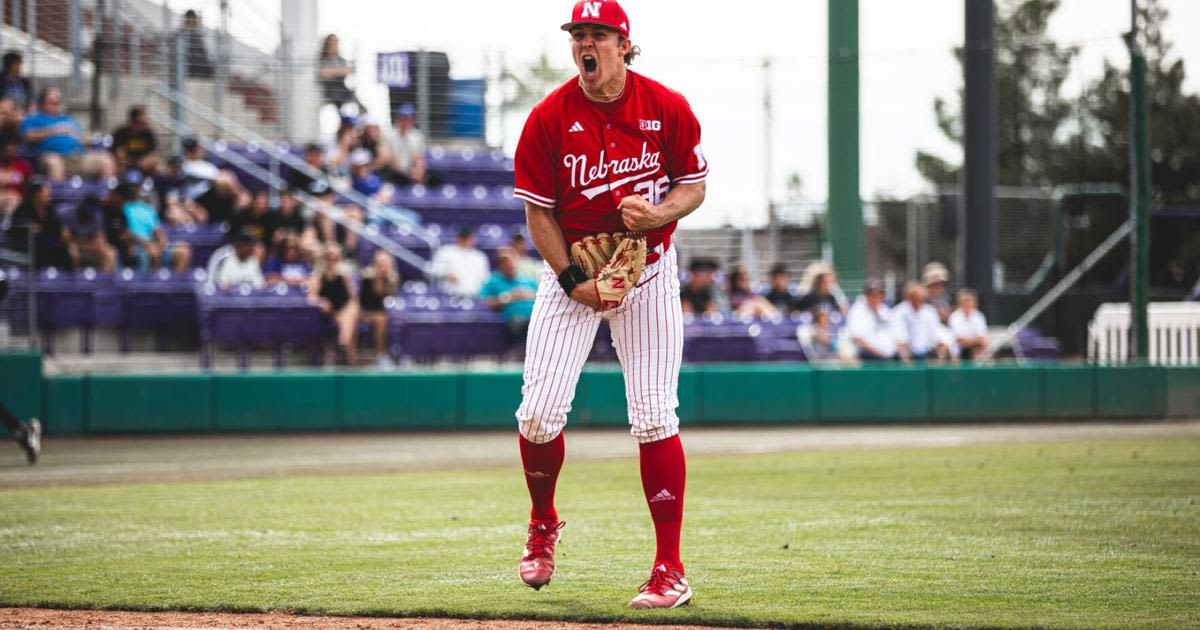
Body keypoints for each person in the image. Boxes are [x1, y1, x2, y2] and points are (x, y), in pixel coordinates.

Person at [511, 0, 708, 608]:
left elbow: (693, 185)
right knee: (539, 413)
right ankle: (543, 523)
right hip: (571, 269)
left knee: (654, 414)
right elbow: (537, 213)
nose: (584, 45)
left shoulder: (666, 107)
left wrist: (660, 213)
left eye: (597, 34)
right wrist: (574, 281)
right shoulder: (548, 118)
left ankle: (669, 569)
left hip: (646, 270)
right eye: (578, 35)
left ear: (625, 44)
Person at [116, 181, 192, 273]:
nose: (135, 190)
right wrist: (147, 244)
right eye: (132, 188)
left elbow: (157, 230)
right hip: (136, 245)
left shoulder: (148, 209)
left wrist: (161, 242)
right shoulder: (123, 208)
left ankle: (174, 284)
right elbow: (126, 232)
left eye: (136, 188)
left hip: (152, 243)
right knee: (152, 253)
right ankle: (152, 286)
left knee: (183, 250)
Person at [480, 248, 539, 353]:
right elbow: (484, 302)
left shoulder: (527, 280)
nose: (509, 264)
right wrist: (509, 297)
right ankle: (518, 352)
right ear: (500, 264)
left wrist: (529, 295)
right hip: (510, 321)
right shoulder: (494, 281)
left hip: (534, 318)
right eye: (505, 261)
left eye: (512, 260)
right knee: (519, 322)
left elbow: (541, 298)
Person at [310, 244, 359, 365]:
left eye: (335, 258)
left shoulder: (345, 276)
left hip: (344, 309)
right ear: (323, 259)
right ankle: (346, 350)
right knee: (347, 321)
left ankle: (344, 340)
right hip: (326, 313)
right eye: (328, 258)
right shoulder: (317, 276)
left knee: (350, 312)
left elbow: (353, 298)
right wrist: (321, 302)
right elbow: (311, 297)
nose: (332, 261)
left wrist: (345, 311)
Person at [7, 178, 71, 269]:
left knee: (66, 254)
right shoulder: (23, 210)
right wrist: (30, 230)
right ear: (35, 195)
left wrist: (63, 232)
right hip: (28, 249)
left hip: (50, 247)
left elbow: (58, 228)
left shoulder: (49, 210)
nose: (48, 196)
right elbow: (13, 231)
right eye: (45, 193)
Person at [889, 281, 952, 361]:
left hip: (926, 355)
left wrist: (940, 353)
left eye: (920, 298)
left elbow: (937, 334)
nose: (917, 301)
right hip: (903, 357)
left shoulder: (930, 311)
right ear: (908, 297)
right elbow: (899, 338)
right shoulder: (898, 312)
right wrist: (906, 360)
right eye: (914, 298)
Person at [358, 249, 398, 370]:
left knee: (385, 318)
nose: (382, 266)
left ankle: (395, 355)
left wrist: (385, 279)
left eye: (385, 263)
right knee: (380, 319)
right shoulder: (367, 277)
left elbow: (392, 297)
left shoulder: (392, 278)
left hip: (386, 314)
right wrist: (377, 278)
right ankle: (380, 355)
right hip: (367, 312)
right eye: (380, 263)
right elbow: (364, 300)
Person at [844, 278, 897, 360]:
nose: (877, 298)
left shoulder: (885, 310)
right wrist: (880, 353)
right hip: (868, 357)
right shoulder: (857, 310)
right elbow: (857, 339)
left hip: (889, 358)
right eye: (873, 295)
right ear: (866, 295)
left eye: (880, 294)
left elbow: (895, 334)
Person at [430, 225, 490, 297]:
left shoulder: (480, 257)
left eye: (468, 237)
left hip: (474, 298)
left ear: (473, 238)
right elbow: (432, 271)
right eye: (463, 237)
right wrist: (445, 274)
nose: (465, 240)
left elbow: (485, 279)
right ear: (458, 238)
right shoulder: (445, 251)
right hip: (450, 296)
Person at [383, 103, 432, 186]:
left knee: (434, 178)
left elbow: (419, 158)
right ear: (398, 119)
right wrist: (406, 173)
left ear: (413, 120)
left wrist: (418, 170)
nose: (405, 122)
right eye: (403, 118)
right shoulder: (389, 135)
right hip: (395, 172)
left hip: (410, 171)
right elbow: (389, 160)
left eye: (408, 119)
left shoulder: (417, 136)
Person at [66, 195, 117, 273]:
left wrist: (80, 242)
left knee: (110, 252)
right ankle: (73, 282)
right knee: (72, 251)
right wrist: (87, 243)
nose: (89, 214)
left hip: (90, 249)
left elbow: (100, 242)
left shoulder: (97, 216)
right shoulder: (70, 215)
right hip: (76, 248)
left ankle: (104, 282)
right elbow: (66, 239)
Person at [111, 106, 159, 173]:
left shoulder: (148, 133)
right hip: (126, 162)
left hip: (143, 163)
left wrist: (145, 160)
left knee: (155, 162)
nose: (144, 125)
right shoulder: (120, 133)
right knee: (115, 164)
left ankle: (150, 182)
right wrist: (131, 161)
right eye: (141, 123)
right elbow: (119, 153)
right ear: (132, 122)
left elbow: (152, 153)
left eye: (145, 123)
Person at [317, 34, 358, 110]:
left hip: (342, 89)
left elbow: (348, 71)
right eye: (332, 43)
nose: (334, 46)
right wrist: (338, 71)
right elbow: (323, 73)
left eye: (336, 43)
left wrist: (332, 72)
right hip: (330, 92)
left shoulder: (339, 59)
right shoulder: (323, 59)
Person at [949, 289, 989, 360]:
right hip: (959, 347)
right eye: (965, 301)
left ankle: (979, 369)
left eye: (969, 301)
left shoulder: (979, 316)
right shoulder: (954, 316)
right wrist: (973, 341)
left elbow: (981, 337)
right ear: (960, 303)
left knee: (983, 347)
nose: (967, 303)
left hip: (975, 346)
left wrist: (972, 342)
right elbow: (958, 339)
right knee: (955, 350)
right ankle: (956, 371)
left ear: (974, 303)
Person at [0, 131, 32, 219]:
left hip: (18, 200)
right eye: (7, 151)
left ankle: (6, 225)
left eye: (12, 151)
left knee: (12, 199)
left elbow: (29, 188)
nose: (10, 154)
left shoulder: (23, 167)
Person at [175, 9, 214, 79]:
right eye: (189, 18)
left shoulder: (200, 33)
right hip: (186, 66)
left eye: (192, 19)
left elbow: (205, 51)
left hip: (198, 65)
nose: (191, 21)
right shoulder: (180, 33)